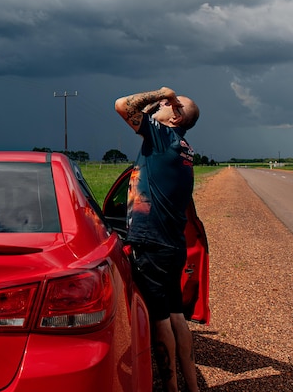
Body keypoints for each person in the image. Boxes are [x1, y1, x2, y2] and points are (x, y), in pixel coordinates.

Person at [114, 86, 201, 392]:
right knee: (177, 314)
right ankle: (191, 386)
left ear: (175, 116)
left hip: (151, 243)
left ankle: (170, 388)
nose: (159, 105)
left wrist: (161, 91)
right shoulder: (183, 147)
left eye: (166, 105)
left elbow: (122, 104)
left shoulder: (162, 136)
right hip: (173, 244)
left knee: (159, 318)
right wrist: (170, 102)